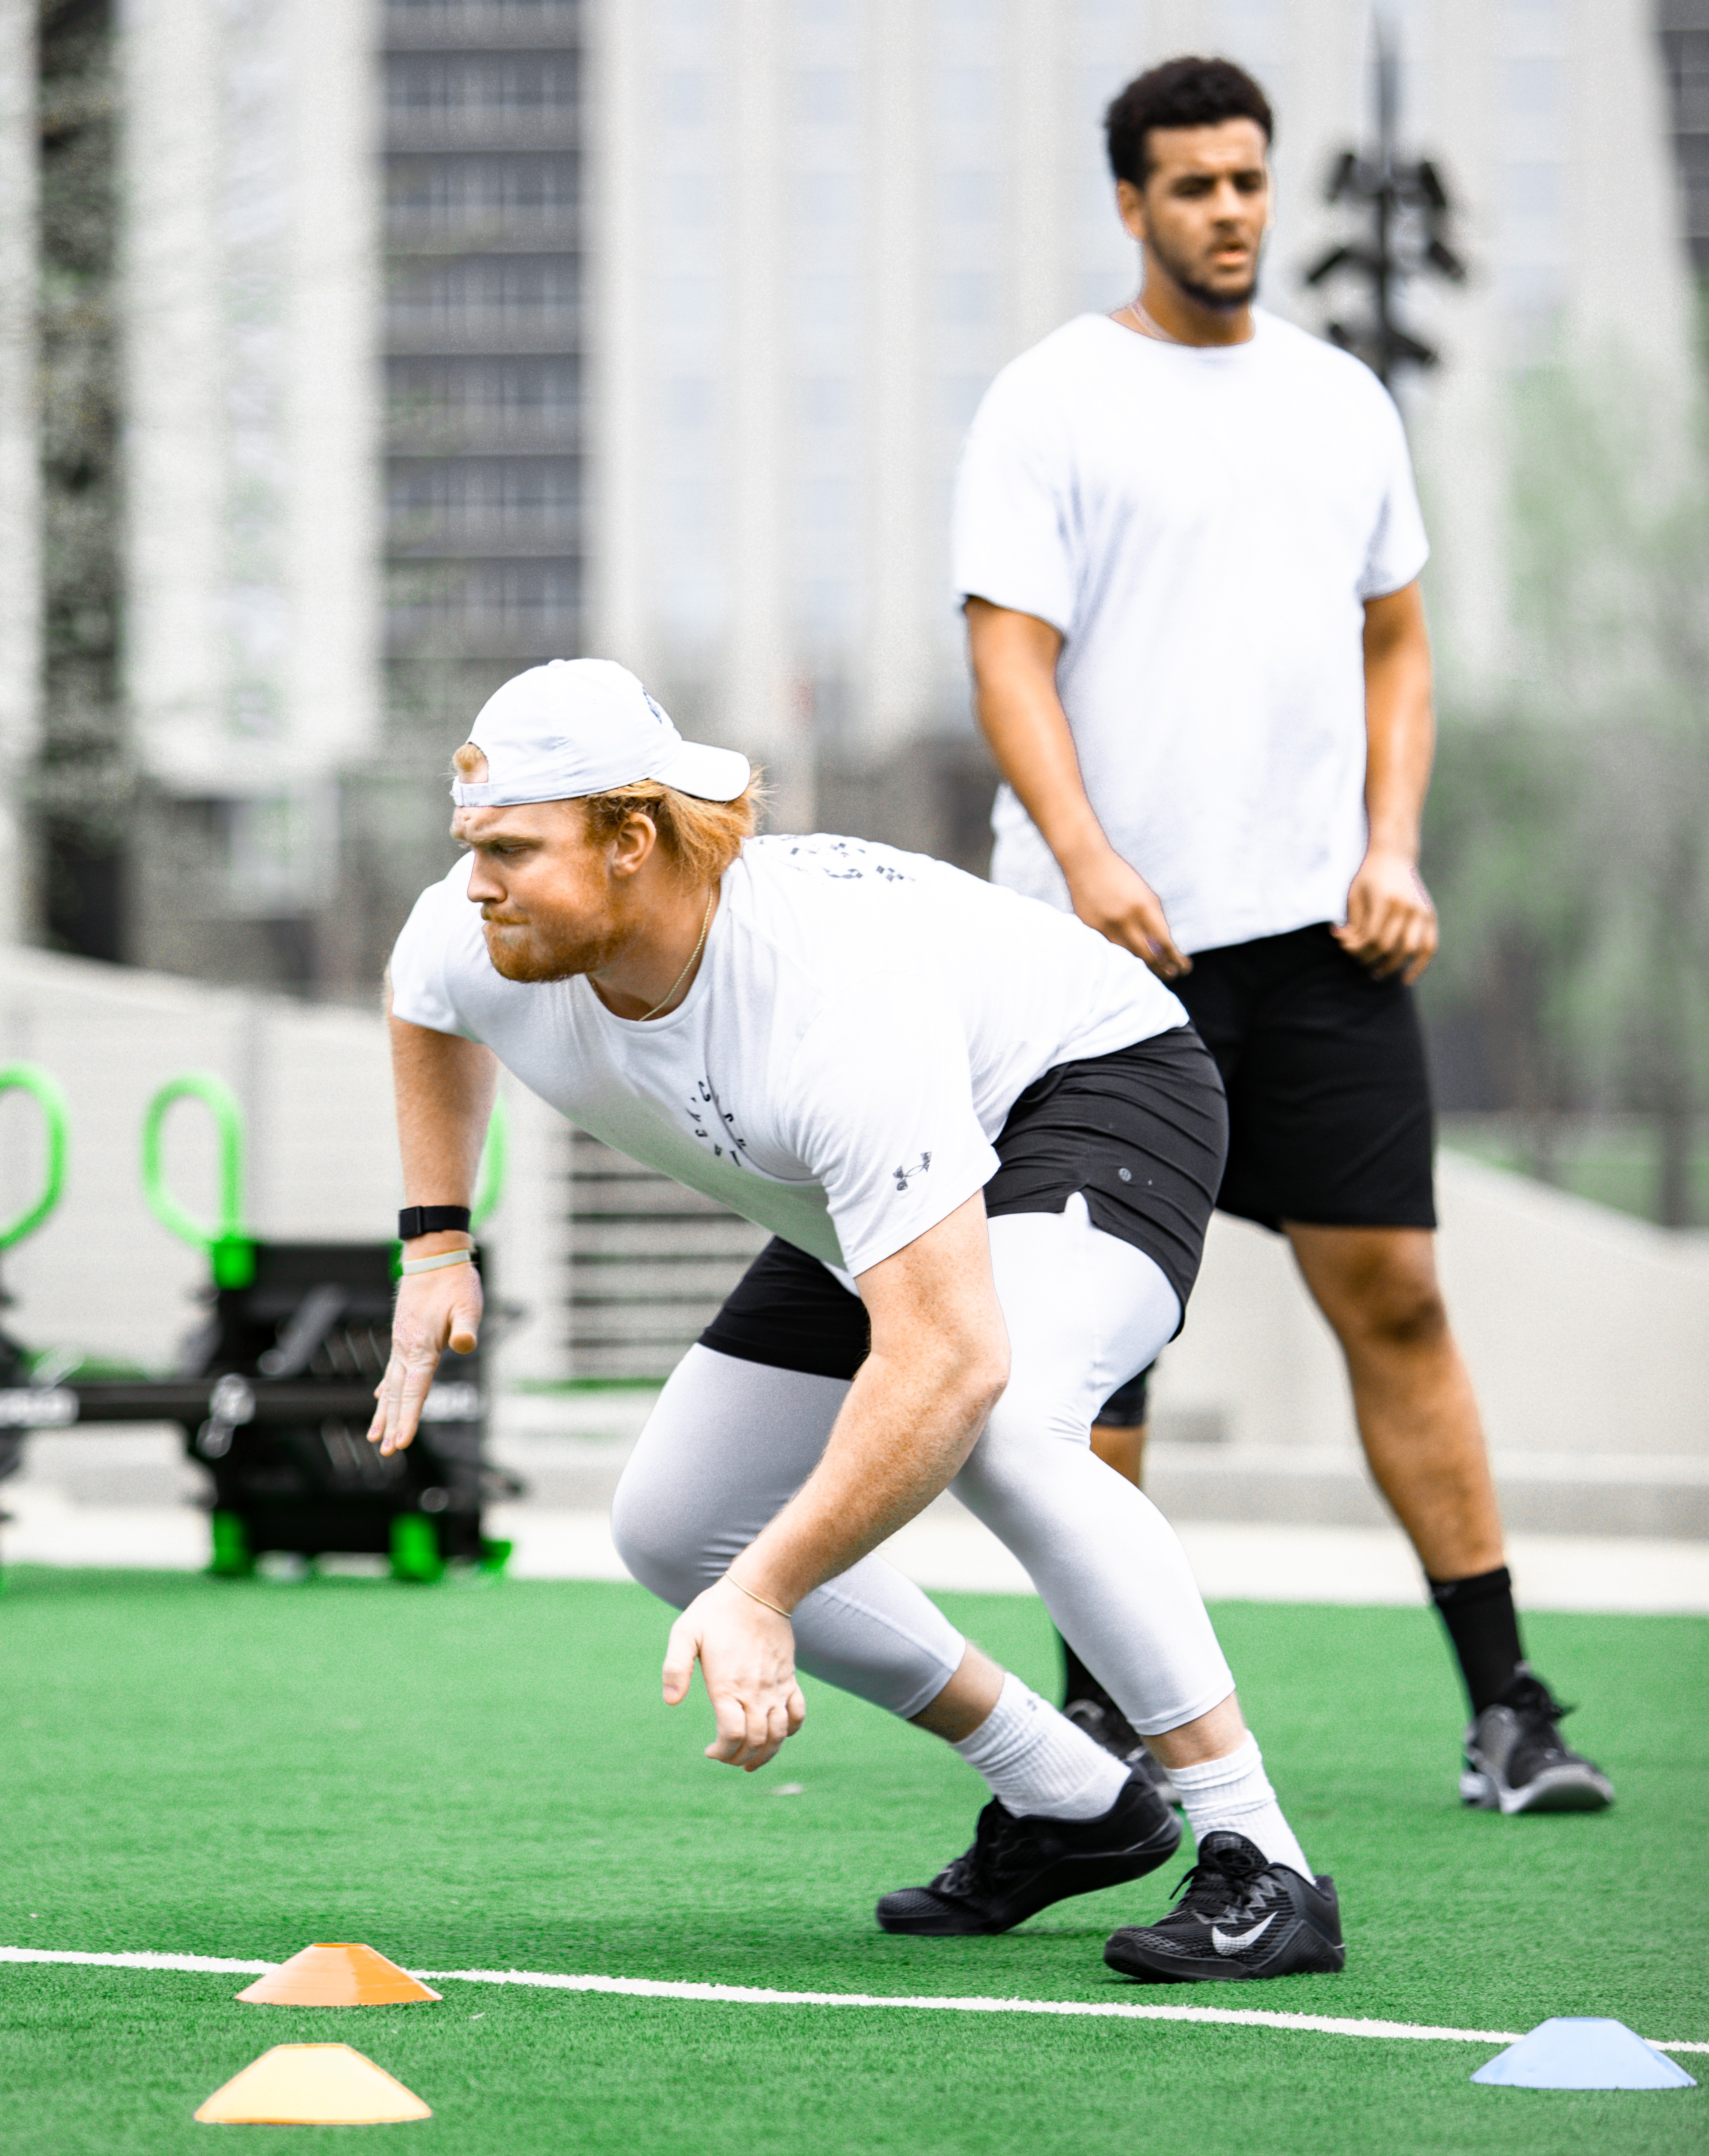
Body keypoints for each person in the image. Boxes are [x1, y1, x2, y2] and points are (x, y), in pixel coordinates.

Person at [373, 655, 1346, 1983]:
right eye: (469, 845)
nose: (474, 881)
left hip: (1086, 1095)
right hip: (856, 1190)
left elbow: (949, 1365)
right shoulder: (479, 929)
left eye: (510, 849)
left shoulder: (827, 1002)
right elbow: (422, 1008)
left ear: (631, 840)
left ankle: (1264, 1858)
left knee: (1005, 1427)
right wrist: (437, 1245)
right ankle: (1071, 1798)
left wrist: (768, 1594)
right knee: (675, 1525)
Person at [951, 54, 1610, 1816]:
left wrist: (1393, 844)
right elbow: (1007, 651)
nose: (1228, 211)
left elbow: (1401, 637)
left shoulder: (1343, 404)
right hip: (1104, 964)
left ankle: (1510, 1705)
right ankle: (1106, 1737)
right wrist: (1086, 859)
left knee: (1396, 1296)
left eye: (1248, 181)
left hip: (1321, 946)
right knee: (1103, 1341)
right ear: (1132, 203)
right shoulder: (1052, 402)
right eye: (1191, 185)